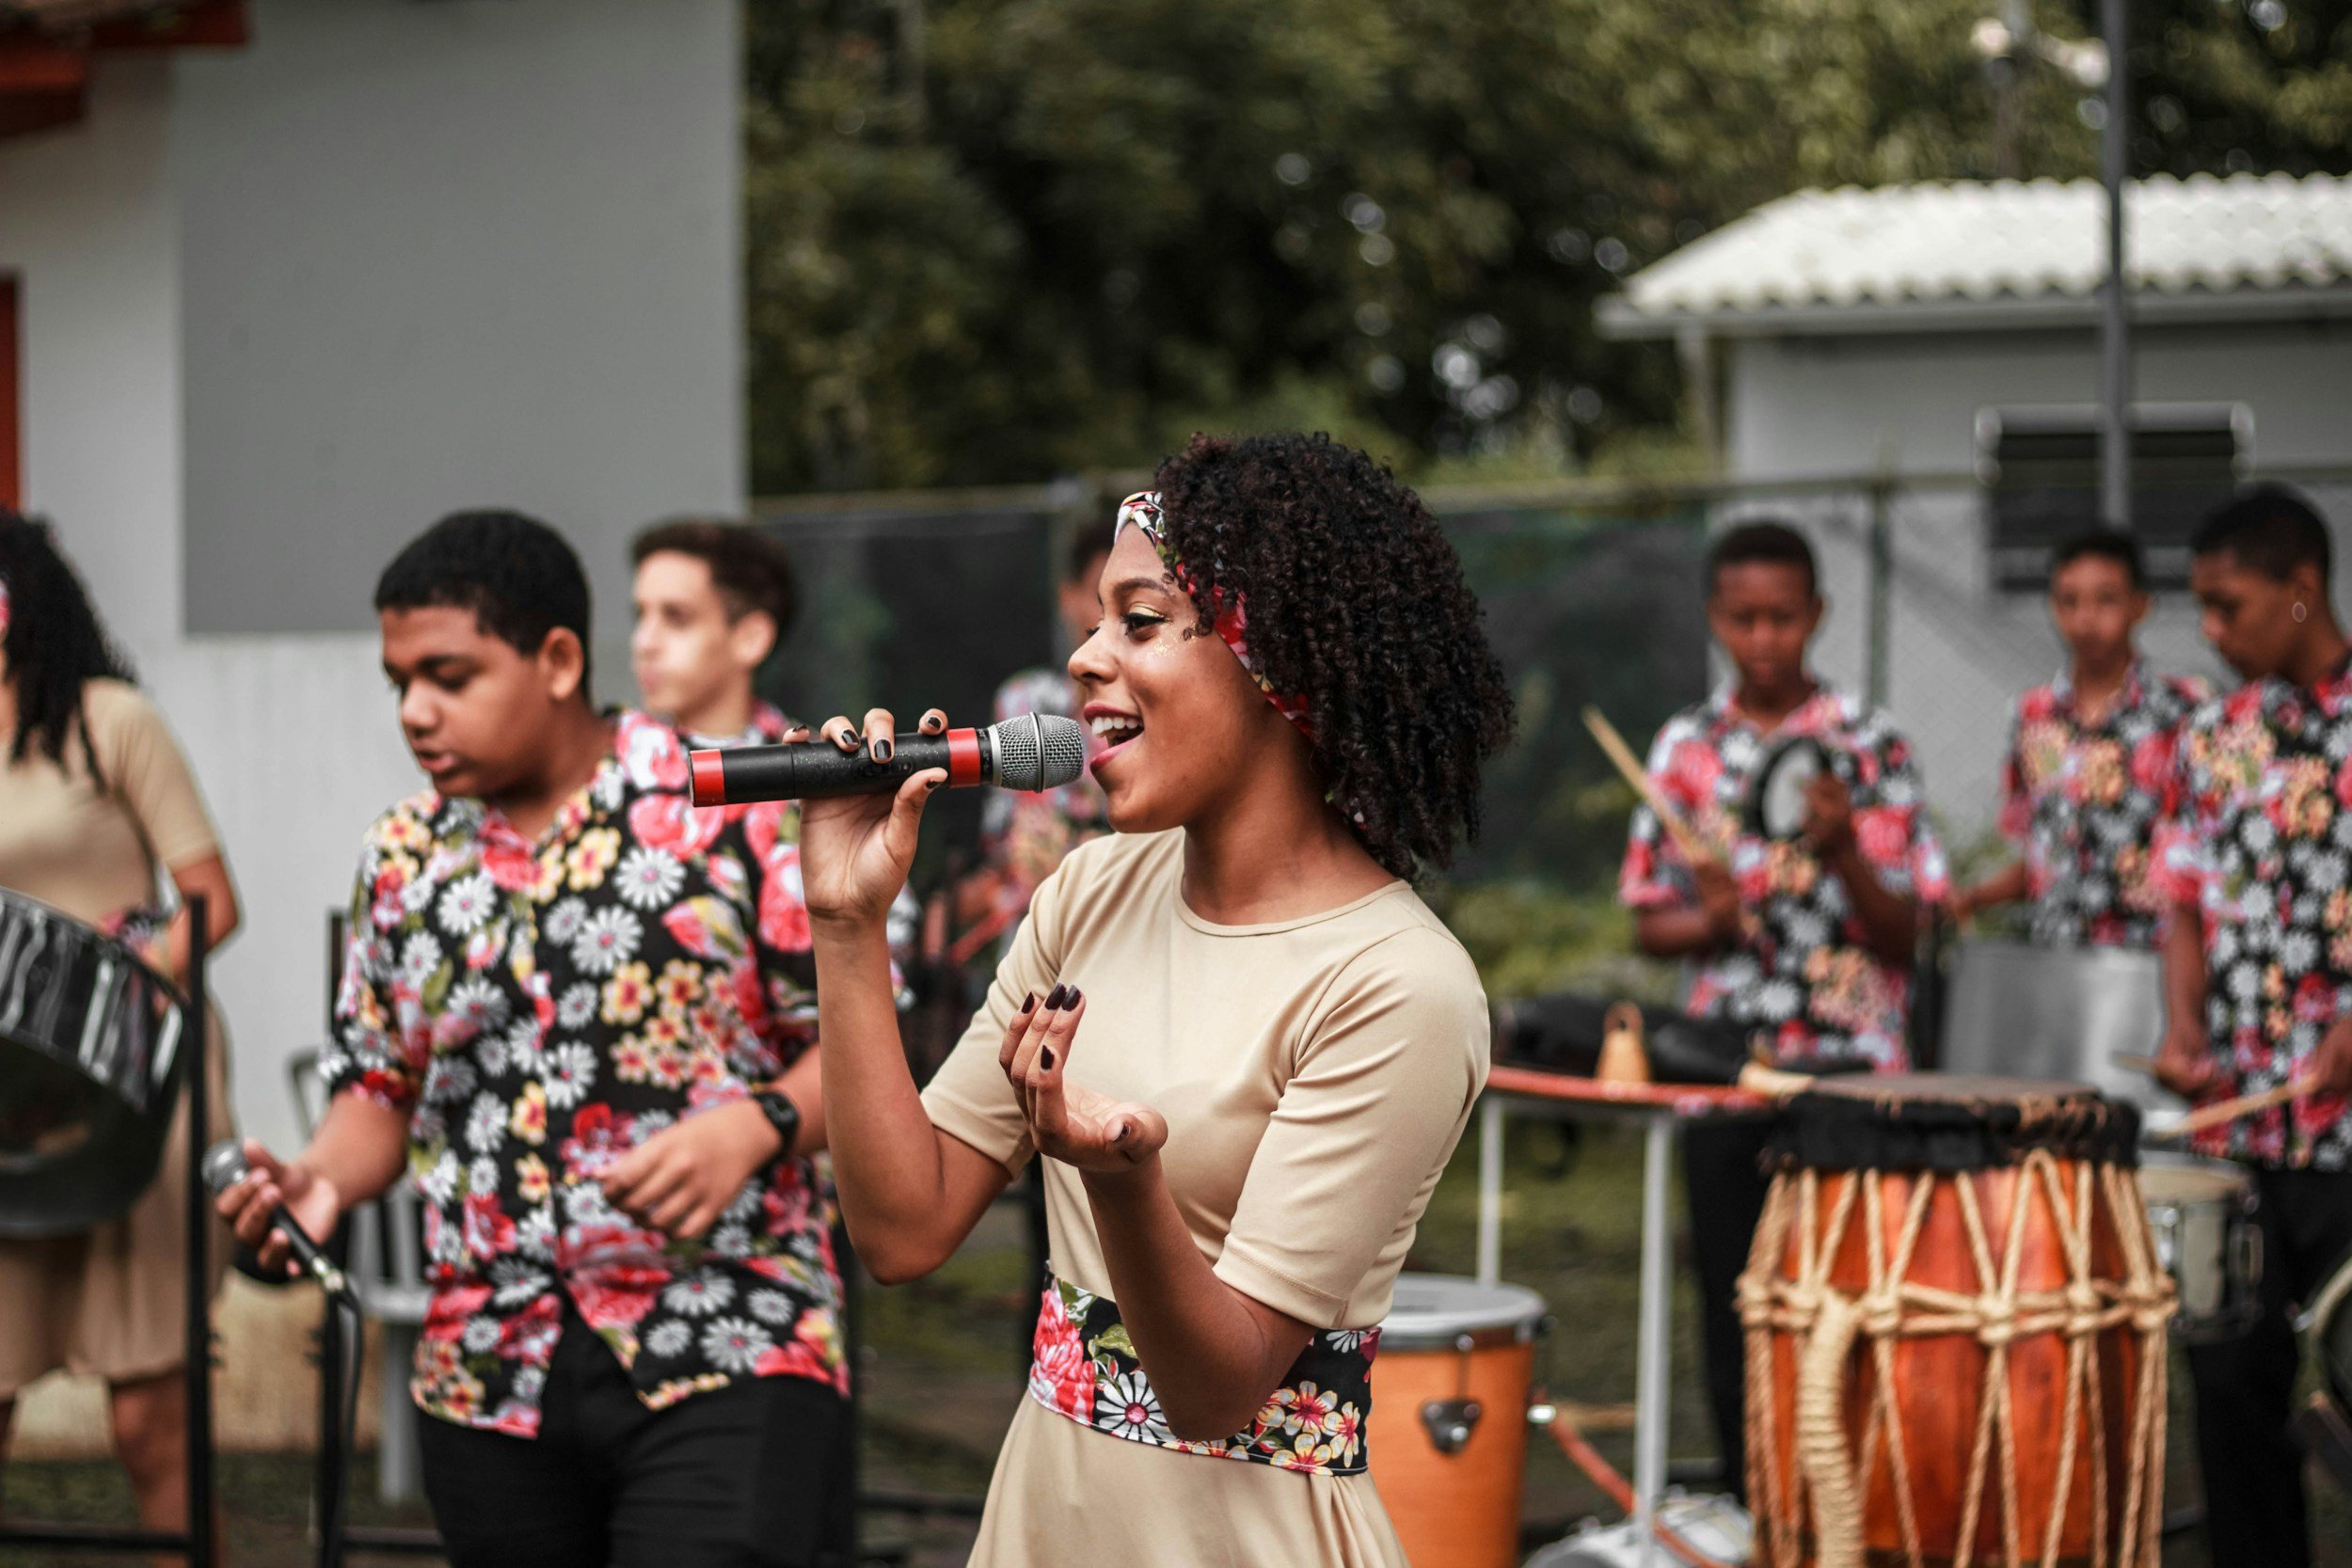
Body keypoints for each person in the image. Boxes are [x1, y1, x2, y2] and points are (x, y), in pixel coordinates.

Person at [799, 433, 1514, 1566]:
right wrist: (845, 926)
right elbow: (901, 1226)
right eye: (1094, 619)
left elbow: (1214, 1389)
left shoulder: (1396, 985)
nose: (1086, 658)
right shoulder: (1087, 891)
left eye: (1139, 621)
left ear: (1275, 660)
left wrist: (1121, 1178)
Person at [216, 511, 850, 1568]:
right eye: (399, 681)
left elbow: (865, 1057)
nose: (416, 711)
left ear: (558, 660)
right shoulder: (401, 855)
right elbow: (378, 1086)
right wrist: (319, 1180)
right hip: (487, 1370)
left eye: (450, 675)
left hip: (726, 1337)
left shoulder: (731, 805)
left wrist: (757, 1122)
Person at [1617, 518, 1947, 1500]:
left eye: (1783, 616)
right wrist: (1706, 918)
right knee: (1734, 1299)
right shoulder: (1685, 746)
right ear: (1716, 618)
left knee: (1852, 1301)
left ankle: (1854, 1511)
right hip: (1722, 1069)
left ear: (1817, 614)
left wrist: (1845, 848)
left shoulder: (1869, 742)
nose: (1763, 638)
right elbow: (1646, 926)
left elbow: (1909, 935)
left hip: (1851, 1066)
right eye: (1742, 618)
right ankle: (1753, 1502)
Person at [0, 511, 241, 1543]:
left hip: (128, 1073)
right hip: (10, 1100)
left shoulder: (109, 720)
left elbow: (209, 900)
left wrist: (120, 980)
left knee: (150, 1415)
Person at [2152, 483, 2352, 1568]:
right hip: (2239, 1132)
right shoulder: (2212, 736)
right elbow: (2182, 897)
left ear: (2300, 588)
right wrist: (2182, 1029)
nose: (2212, 633)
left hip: (2347, 1142)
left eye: (2228, 606)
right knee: (2231, 1396)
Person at [1954, 529, 2205, 945]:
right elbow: (2043, 856)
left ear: (2140, 605)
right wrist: (1973, 898)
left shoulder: (2183, 711)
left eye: (2105, 599)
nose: (2085, 619)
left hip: (2156, 960)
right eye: (2068, 601)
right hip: (2057, 957)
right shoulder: (2032, 717)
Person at [956, 529, 1115, 951]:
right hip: (1028, 947)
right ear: (1068, 597)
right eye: (1100, 595)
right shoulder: (1023, 702)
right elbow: (992, 849)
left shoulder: (1158, 714)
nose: (1109, 618)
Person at [629, 516, 799, 750]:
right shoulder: (603, 768)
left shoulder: (813, 766)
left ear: (751, 639)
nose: (643, 642)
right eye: (640, 615)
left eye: (677, 617)